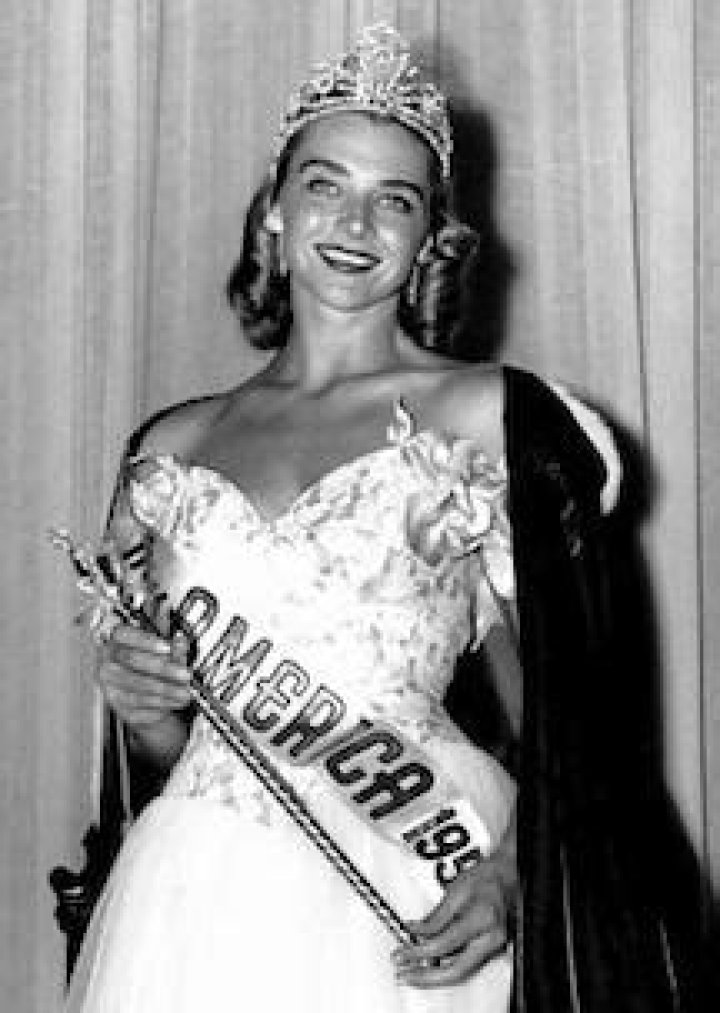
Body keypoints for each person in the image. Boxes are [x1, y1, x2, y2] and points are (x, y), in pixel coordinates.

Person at [63, 24, 682, 1013]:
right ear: (273, 209)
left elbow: (570, 717)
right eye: (325, 185)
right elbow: (172, 749)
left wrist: (512, 872)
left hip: (413, 868)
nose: (355, 221)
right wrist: (145, 709)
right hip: (194, 897)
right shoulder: (171, 446)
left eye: (394, 198)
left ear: (431, 234)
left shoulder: (489, 415)